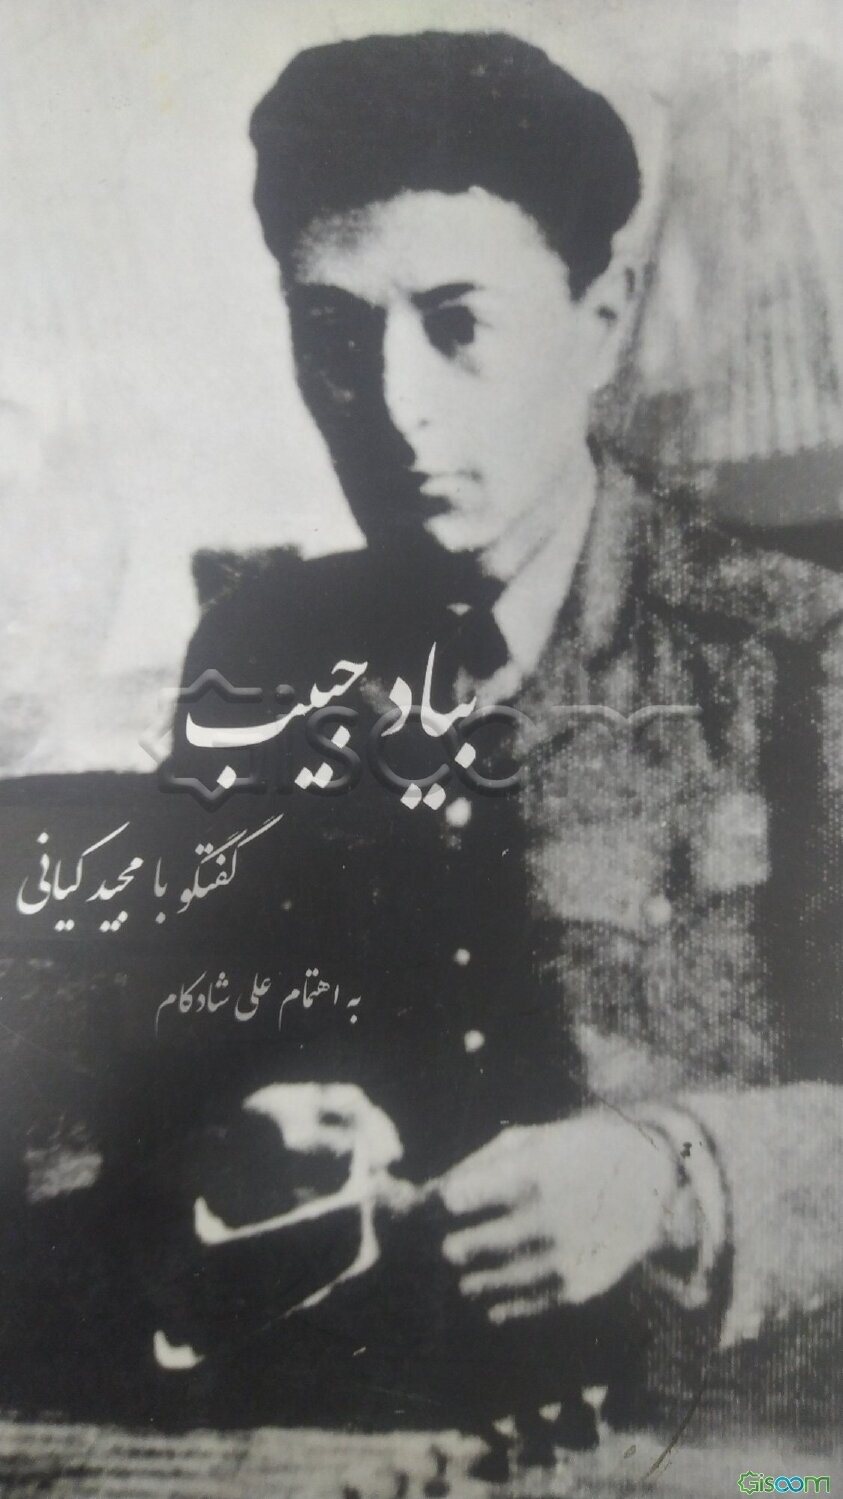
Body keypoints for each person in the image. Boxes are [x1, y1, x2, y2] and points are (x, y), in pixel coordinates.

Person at [10, 28, 838, 1472]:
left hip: (729, 1451)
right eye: (333, 335)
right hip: (354, 1449)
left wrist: (675, 1174)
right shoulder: (262, 655)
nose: (393, 404)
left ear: (600, 322)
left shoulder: (795, 659)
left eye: (457, 324)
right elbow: (141, 1096)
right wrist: (230, 1151)